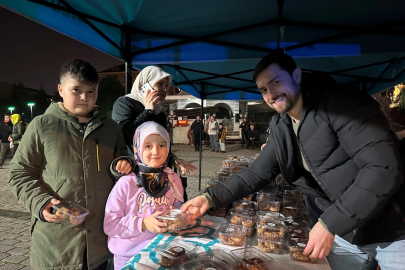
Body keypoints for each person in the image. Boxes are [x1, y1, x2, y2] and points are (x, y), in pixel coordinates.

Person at [182, 52, 405, 270]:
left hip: (393, 231)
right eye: (263, 90)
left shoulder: (341, 103)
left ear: (297, 76)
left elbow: (383, 168)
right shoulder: (281, 126)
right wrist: (209, 198)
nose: (270, 94)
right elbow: (256, 173)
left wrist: (332, 223)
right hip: (344, 235)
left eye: (276, 82)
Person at [8, 59, 135, 270]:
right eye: (77, 90)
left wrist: (123, 164)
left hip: (101, 239)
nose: (85, 97)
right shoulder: (42, 126)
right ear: (60, 89)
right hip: (57, 242)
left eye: (91, 91)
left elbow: (121, 159)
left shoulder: (111, 128)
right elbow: (20, 172)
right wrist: (41, 202)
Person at [104, 121, 184, 270]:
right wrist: (143, 223)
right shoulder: (126, 183)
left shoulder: (173, 179)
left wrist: (178, 215)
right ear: (138, 148)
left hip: (164, 253)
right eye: (148, 146)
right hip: (128, 257)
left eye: (162, 145)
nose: (155, 151)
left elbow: (179, 207)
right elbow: (110, 226)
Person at [112, 66, 196, 176]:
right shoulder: (124, 103)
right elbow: (125, 136)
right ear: (145, 85)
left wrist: (173, 159)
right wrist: (148, 111)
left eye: (166, 86)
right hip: (131, 174)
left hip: (155, 176)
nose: (164, 90)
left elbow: (161, 145)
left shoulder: (159, 114)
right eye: (159, 84)